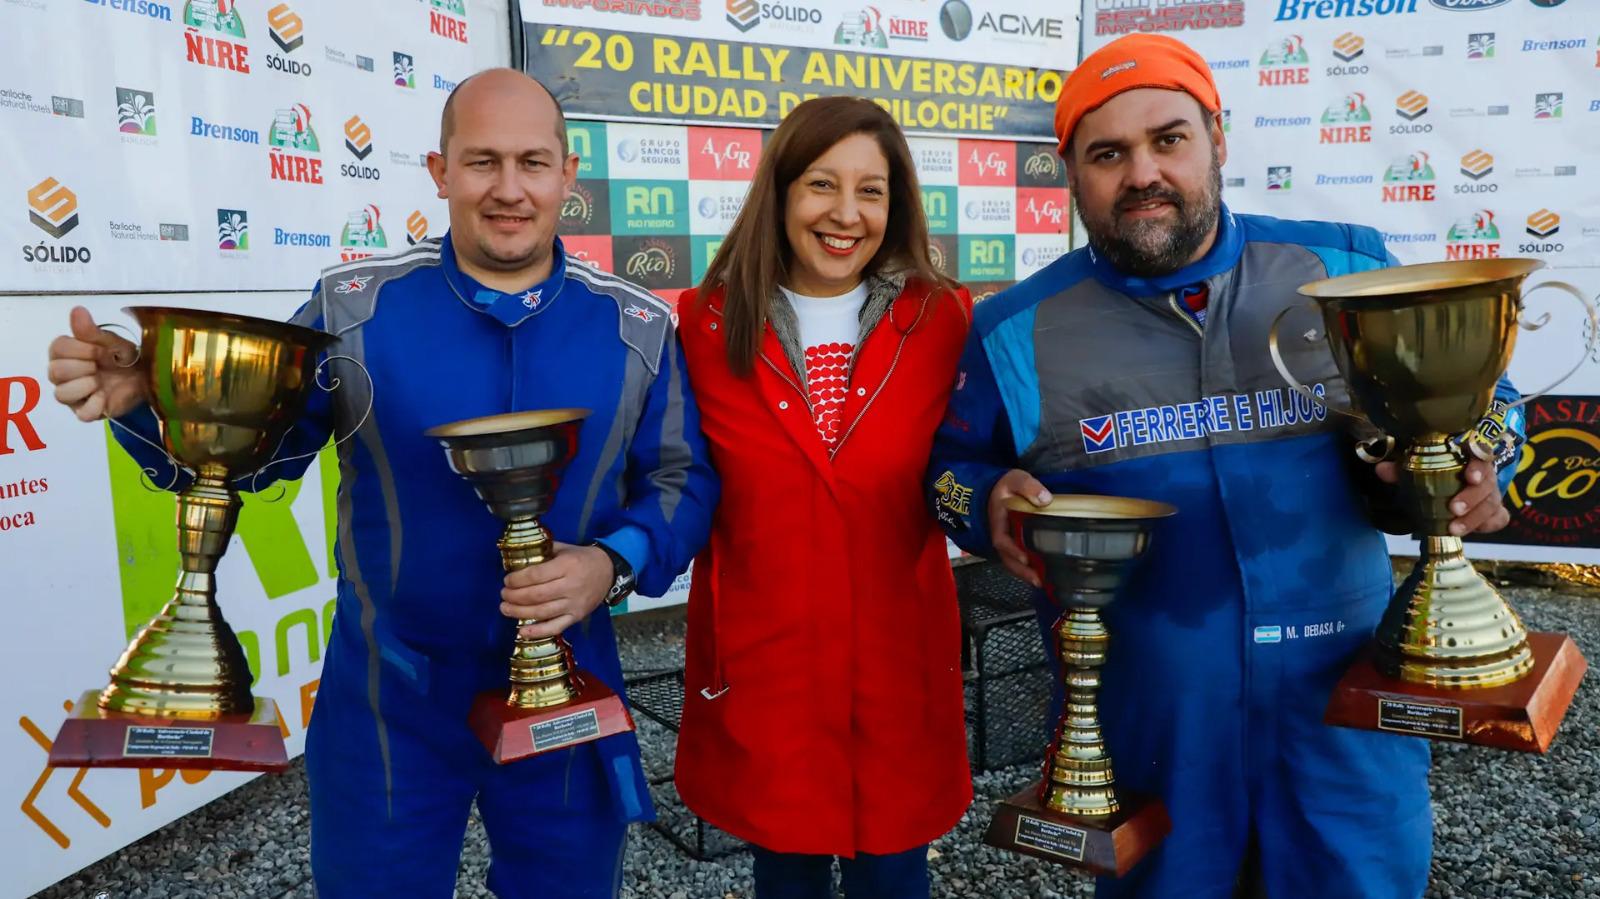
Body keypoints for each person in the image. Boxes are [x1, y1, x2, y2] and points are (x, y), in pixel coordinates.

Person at [45, 68, 718, 899]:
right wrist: (152, 403)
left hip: (569, 681)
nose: (509, 189)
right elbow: (252, 449)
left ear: (568, 174)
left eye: (533, 163)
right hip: (388, 697)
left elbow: (683, 482)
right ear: (439, 172)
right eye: (481, 162)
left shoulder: (638, 325)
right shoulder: (351, 310)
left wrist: (609, 563)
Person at [926, 34, 1523, 899]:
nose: (1142, 173)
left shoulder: (1345, 267)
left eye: (1169, 139)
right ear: (1071, 174)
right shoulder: (1012, 328)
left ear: (1218, 139)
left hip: (1343, 714)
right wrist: (982, 504)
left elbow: (1488, 397)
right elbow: (943, 470)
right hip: (1148, 726)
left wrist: (1479, 464)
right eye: (1108, 153)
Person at [672, 96, 973, 899]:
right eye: (821, 185)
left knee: (895, 872)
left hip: (897, 664)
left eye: (871, 191)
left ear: (896, 203)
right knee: (786, 867)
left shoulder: (944, 318)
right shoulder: (704, 323)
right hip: (770, 670)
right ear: (780, 192)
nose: (846, 214)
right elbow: (679, 475)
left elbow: (979, 460)